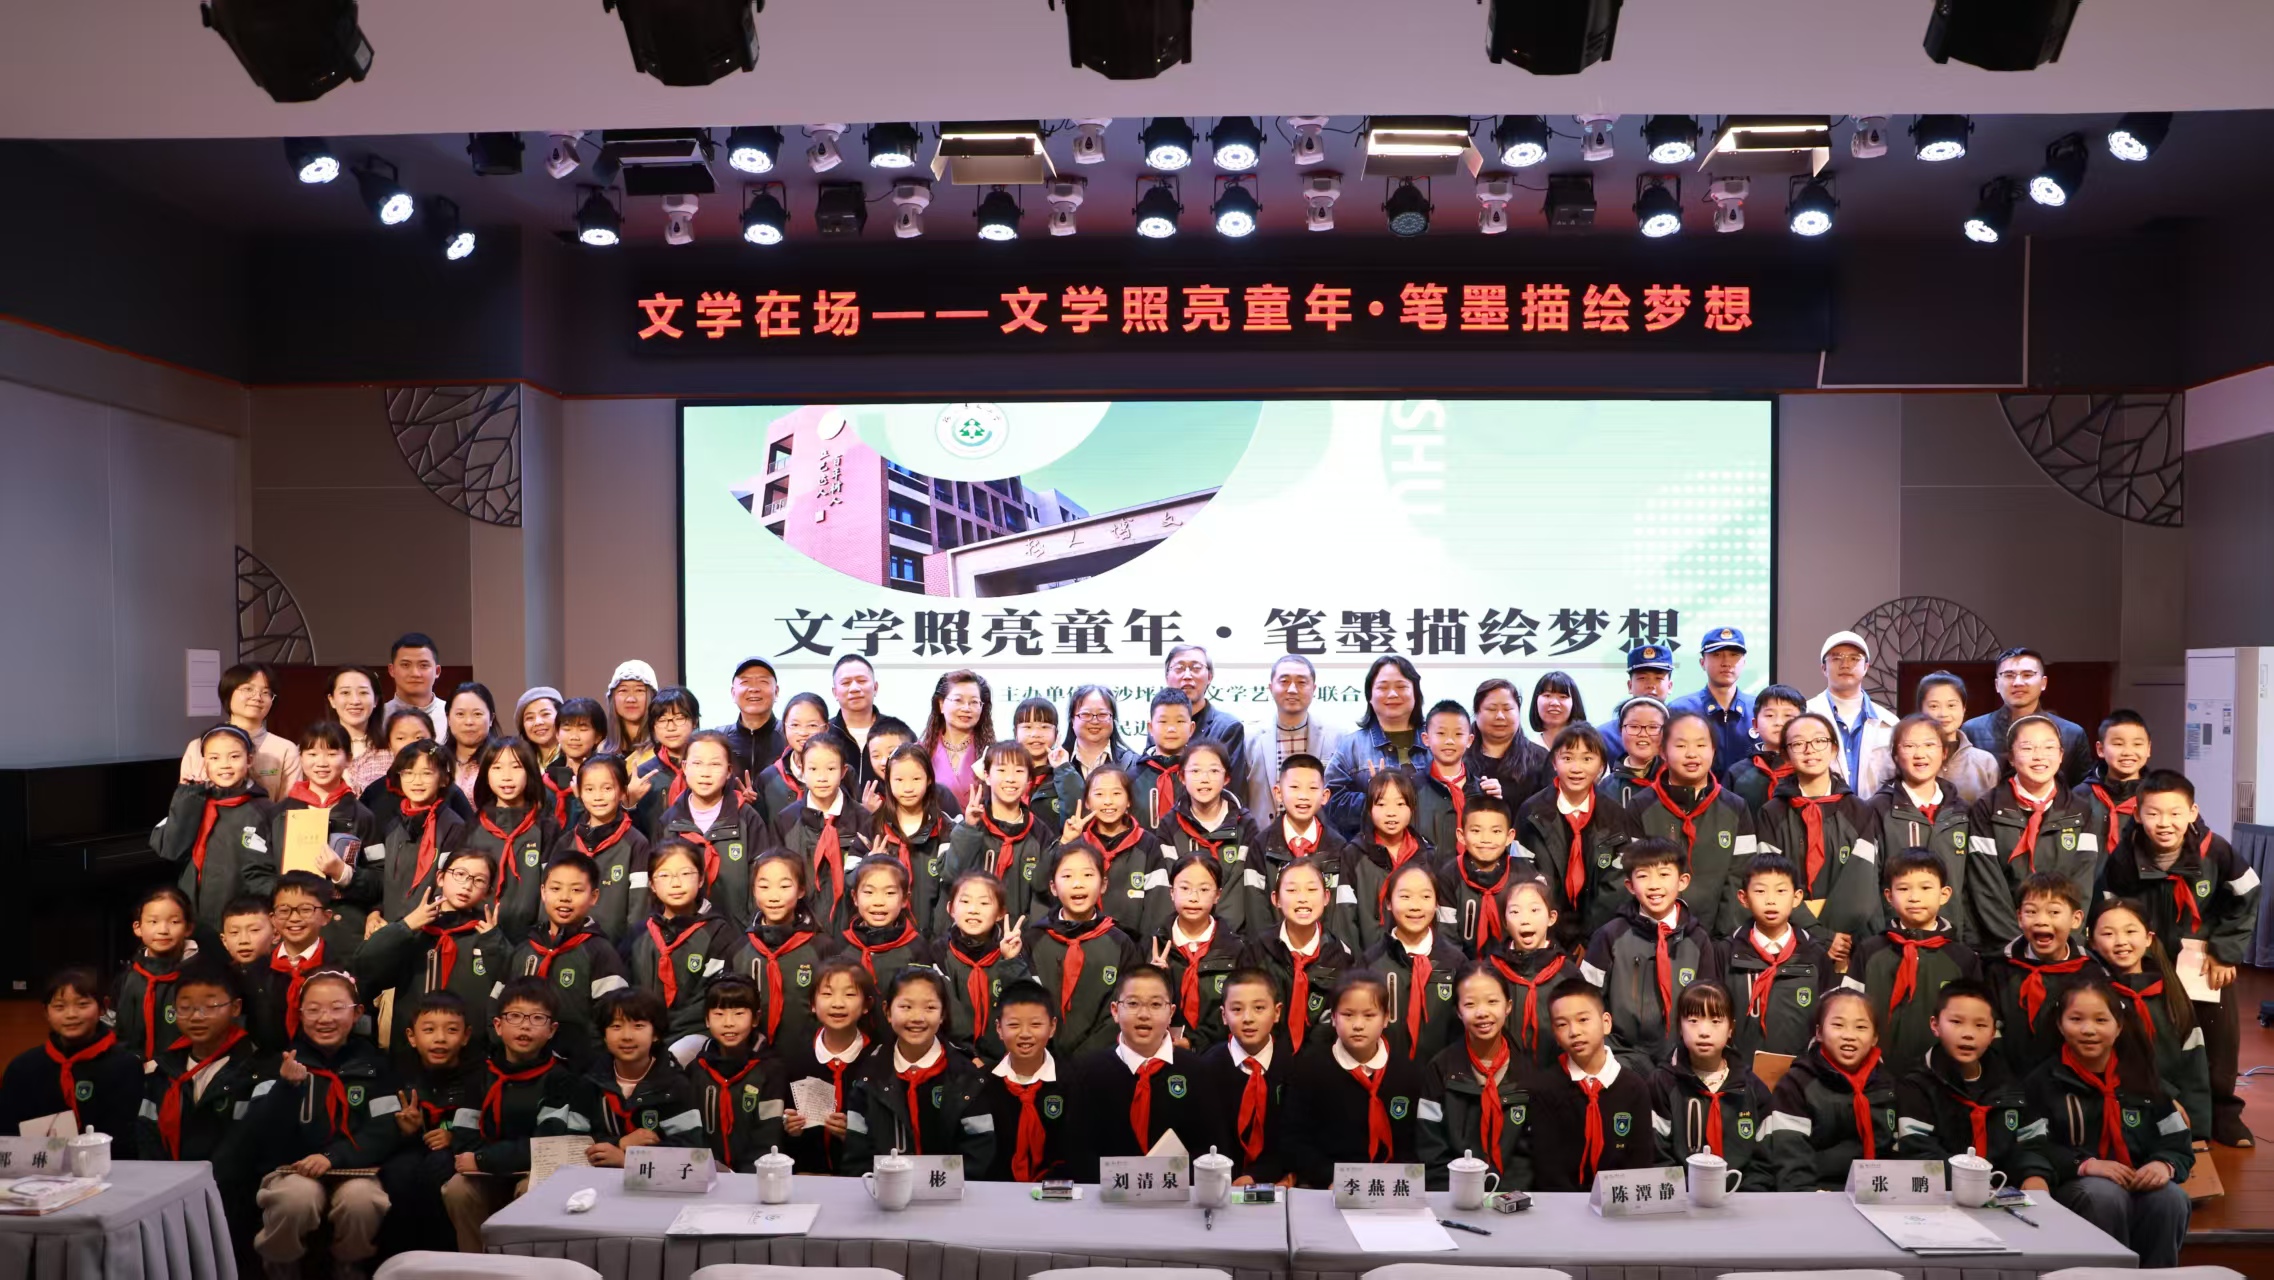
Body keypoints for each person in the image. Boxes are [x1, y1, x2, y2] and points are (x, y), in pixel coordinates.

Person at [2100, 768, 2259, 1147]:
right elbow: (2110, 907)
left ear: (2192, 812)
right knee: (2156, 1035)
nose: (2164, 823)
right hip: (2148, 957)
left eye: (2175, 813)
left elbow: (2246, 896)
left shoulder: (2216, 851)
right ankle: (2164, 1108)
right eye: (2153, 813)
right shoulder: (2123, 858)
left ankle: (2223, 1113)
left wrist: (2225, 951)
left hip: (2203, 958)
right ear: (2137, 814)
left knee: (2217, 1037)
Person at [2025, 980, 2194, 1268]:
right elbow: (2033, 1146)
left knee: (2170, 1198)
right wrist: (2084, 1164)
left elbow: (2176, 1139)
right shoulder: (2043, 1083)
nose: (2088, 1029)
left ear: (2118, 1027)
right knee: (2104, 1195)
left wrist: (2163, 1164)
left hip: (2136, 1179)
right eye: (2076, 1019)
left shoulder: (2144, 1079)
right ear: (2060, 1025)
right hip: (2076, 1184)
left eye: (2101, 1020)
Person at [250, 969, 399, 1280]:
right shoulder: (280, 1063)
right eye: (314, 1010)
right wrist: (285, 1088)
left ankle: (348, 1267)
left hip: (354, 1167)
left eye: (337, 1008)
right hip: (293, 1168)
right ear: (300, 1014)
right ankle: (280, 1267)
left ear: (357, 1013)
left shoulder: (376, 1065)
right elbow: (259, 1131)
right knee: (295, 1200)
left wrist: (333, 1157)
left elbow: (384, 1130)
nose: (325, 1019)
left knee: (362, 1201)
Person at [440, 976, 587, 1253]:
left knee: (531, 1189)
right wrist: (481, 1161)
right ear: (498, 1025)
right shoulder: (479, 1075)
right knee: (458, 1188)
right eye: (515, 1016)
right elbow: (464, 1139)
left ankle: (522, 1265)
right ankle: (475, 1262)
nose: (525, 1026)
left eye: (537, 1018)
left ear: (552, 1030)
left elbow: (545, 1146)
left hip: (532, 1171)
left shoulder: (561, 1079)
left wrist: (484, 1159)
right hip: (486, 1173)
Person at [138, 962, 269, 1247]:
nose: (197, 1017)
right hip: (164, 1199)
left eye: (210, 1006)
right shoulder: (161, 1069)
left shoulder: (257, 1070)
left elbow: (246, 1144)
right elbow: (146, 1133)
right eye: (185, 1007)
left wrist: (198, 1185)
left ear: (235, 1008)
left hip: (233, 1202)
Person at [1063, 965, 1221, 1180]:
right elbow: (1078, 1152)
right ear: (1115, 1011)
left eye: (1155, 1004)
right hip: (1109, 1195)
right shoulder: (1088, 1072)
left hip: (1178, 1192)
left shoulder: (1197, 1071)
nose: (1144, 1014)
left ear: (1171, 1013)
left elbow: (1211, 1148)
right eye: (1133, 1004)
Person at [1893, 979, 2049, 1188]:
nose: (1968, 1034)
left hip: (2002, 1192)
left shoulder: (2011, 1081)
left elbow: (2031, 1146)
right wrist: (1974, 1185)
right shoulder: (1917, 1085)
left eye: (1980, 1025)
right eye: (1956, 1022)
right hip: (1944, 1192)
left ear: (1993, 1032)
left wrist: (2034, 1176)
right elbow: (1919, 1152)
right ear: (1935, 1025)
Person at [1965, 716, 2102, 951]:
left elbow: (2082, 883)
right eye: (2027, 748)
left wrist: (2061, 940)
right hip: (2003, 947)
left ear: (2061, 755)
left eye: (2048, 747)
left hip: (2061, 947)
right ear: (2011, 757)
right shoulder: (1987, 808)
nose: (2039, 756)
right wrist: (2018, 946)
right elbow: (1986, 885)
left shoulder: (2080, 811)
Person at [1517, 979, 1664, 1191]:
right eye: (1562, 1024)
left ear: (1606, 1023)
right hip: (1561, 1202)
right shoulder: (1544, 1088)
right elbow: (1548, 1167)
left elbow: (1640, 1162)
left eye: (1583, 1019)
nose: (1574, 1031)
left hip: (1619, 1200)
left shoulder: (1634, 1087)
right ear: (1555, 1035)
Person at [1280, 971, 1424, 1186]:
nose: (1358, 1025)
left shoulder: (1407, 1072)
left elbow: (1415, 1141)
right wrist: (1330, 1178)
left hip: (1391, 1186)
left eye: (1369, 1015)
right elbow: (1293, 1139)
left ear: (1386, 1018)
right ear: (1333, 1017)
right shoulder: (1309, 1069)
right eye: (1348, 1015)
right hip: (1328, 1184)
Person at [843, 967, 993, 1171]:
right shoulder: (869, 1074)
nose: (917, 1017)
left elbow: (979, 1153)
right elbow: (857, 1154)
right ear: (887, 1011)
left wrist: (940, 1182)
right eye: (906, 1007)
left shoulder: (967, 1075)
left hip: (949, 1188)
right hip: (885, 1187)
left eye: (930, 1007)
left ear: (943, 1014)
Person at [1585, 837, 1719, 1064]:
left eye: (1664, 874)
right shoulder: (1609, 936)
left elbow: (1708, 1007)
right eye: (1643, 876)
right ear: (1630, 885)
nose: (1654, 885)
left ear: (1683, 881)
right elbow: (1585, 1000)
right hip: (1620, 1058)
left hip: (1682, 1059)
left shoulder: (1698, 940)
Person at [1753, 712, 1878, 954]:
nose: (1810, 749)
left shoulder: (1858, 811)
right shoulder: (1772, 813)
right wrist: (1819, 936)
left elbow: (1862, 882)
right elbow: (1772, 881)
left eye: (1819, 741)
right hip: (1791, 938)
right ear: (1786, 754)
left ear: (1833, 749)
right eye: (1798, 743)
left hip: (1849, 941)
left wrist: (1835, 939)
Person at [2091, 899, 2213, 1146]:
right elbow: (2111, 1059)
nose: (2121, 941)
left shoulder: (2171, 992)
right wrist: (2162, 1095)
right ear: (2092, 942)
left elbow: (2193, 1061)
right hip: (2118, 1111)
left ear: (2148, 938)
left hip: (2173, 1112)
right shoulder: (2092, 996)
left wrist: (2197, 1129)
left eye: (2130, 931)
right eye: (2108, 934)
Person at [1848, 848, 1981, 1071]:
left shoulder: (1963, 959)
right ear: (1889, 896)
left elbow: (1976, 1022)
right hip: (1875, 1071)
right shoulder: (1869, 951)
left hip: (1943, 1074)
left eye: (1926, 888)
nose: (1914, 897)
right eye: (1903, 888)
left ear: (1944, 894)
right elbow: (1849, 1010)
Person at [356, 854, 509, 1048]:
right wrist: (406, 926)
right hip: (411, 1049)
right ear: (440, 878)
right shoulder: (414, 929)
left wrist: (493, 941)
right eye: (460, 874)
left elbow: (510, 983)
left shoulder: (488, 935)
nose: (467, 885)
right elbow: (364, 966)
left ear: (488, 892)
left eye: (479, 880)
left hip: (470, 1049)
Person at [1516, 724, 1642, 945]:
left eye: (1587, 759)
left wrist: (1590, 938)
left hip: (1600, 933)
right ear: (1554, 762)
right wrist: (1549, 931)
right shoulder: (1531, 812)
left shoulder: (1615, 815)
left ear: (1601, 765)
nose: (1576, 768)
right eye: (1567, 758)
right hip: (1543, 932)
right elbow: (1522, 874)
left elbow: (1617, 884)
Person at [1633, 710, 1756, 936]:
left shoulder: (1736, 807)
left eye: (1701, 745)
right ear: (1662, 752)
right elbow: (1631, 876)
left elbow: (1741, 877)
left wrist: (1723, 940)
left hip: (1719, 939)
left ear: (1713, 750)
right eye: (1681, 746)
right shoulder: (1640, 806)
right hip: (1652, 935)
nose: (1692, 754)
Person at [1648, 981, 1776, 1194]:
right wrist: (1686, 1195)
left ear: (1730, 1028)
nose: (1704, 1032)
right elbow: (1657, 1158)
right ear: (1680, 1026)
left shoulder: (1753, 1089)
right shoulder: (1662, 1084)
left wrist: (1745, 1198)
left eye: (1716, 1021)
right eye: (1693, 1021)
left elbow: (1764, 1163)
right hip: (1682, 1200)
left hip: (1742, 1200)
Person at [1763, 989, 1896, 1190]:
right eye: (1838, 1025)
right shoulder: (1796, 1084)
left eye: (1861, 1027)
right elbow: (1791, 1164)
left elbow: (1895, 1156)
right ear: (1819, 1033)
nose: (1849, 1036)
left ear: (1875, 1037)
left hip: (1875, 1193)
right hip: (1815, 1194)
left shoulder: (1885, 1085)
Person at [507, 853, 629, 1072]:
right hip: (520, 1066)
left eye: (576, 890)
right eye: (555, 888)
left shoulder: (600, 952)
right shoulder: (524, 949)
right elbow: (498, 1005)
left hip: (581, 1067)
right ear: (543, 892)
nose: (565, 898)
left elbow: (613, 1017)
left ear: (594, 896)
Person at [154, 724, 277, 938]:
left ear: (249, 760)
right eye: (214, 758)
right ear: (204, 762)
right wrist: (188, 796)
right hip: (192, 913)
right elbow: (170, 850)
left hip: (240, 921)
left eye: (234, 757)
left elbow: (264, 873)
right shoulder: (193, 800)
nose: (225, 765)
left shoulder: (263, 810)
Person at [381, 992, 480, 1256]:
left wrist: (453, 1137)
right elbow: (380, 1129)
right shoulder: (398, 1072)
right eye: (429, 1030)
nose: (440, 1038)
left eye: (451, 1030)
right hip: (411, 1150)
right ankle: (401, 1257)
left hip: (456, 1154)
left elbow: (485, 1126)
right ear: (411, 1036)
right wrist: (406, 1130)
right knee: (398, 1171)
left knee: (440, 1166)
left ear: (466, 1036)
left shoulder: (478, 1076)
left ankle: (440, 1256)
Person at [1862, 714, 1975, 944]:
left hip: (1951, 940)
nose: (1920, 754)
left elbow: (1970, 886)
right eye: (1909, 746)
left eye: (1929, 745)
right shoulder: (1877, 809)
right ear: (1895, 754)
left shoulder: (1962, 811)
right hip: (1894, 939)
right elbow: (1868, 885)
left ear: (1944, 752)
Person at [1716, 853, 1832, 1070]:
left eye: (1781, 891)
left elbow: (1827, 1022)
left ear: (1797, 897)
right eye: (1760, 891)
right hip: (1737, 1072)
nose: (1771, 900)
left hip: (1801, 1075)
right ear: (1743, 898)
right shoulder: (1726, 952)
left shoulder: (1815, 955)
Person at [622, 840, 736, 1058]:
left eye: (685, 874)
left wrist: (664, 1030)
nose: (676, 883)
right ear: (652, 884)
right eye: (664, 875)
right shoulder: (639, 934)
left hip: (694, 1033)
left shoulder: (718, 933)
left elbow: (711, 997)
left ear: (701, 879)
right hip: (642, 1031)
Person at [1023, 845, 1138, 1059]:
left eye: (1088, 875)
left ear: (1103, 884)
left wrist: (1087, 1057)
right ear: (1053, 887)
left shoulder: (1121, 943)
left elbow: (1123, 1008)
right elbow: (1027, 1004)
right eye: (1067, 876)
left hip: (1101, 1059)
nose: (1078, 884)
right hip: (1041, 1058)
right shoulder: (1033, 940)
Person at [1984, 871, 2104, 1074]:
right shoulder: (1998, 969)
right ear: (2019, 918)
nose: (2041, 920)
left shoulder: (2091, 972)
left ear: (2076, 919)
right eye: (2031, 912)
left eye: (2054, 912)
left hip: (2072, 1079)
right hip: (2008, 1079)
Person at [0, 966, 139, 1141]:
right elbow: (8, 1136)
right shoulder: (22, 1069)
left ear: (103, 1007)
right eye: (59, 1007)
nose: (71, 1014)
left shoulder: (126, 1066)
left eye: (82, 1004)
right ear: (46, 1012)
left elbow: (128, 1137)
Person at [267, 721, 381, 929]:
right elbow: (256, 872)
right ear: (300, 757)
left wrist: (343, 874)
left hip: (342, 923)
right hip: (286, 920)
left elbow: (379, 878)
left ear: (348, 759)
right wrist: (286, 895)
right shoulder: (277, 814)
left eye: (331, 754)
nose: (321, 762)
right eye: (312, 754)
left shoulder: (364, 817)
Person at [654, 729, 768, 931]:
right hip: (683, 935)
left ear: (729, 770)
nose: (705, 773)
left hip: (739, 935)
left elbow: (762, 882)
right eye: (697, 763)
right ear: (684, 767)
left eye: (715, 764)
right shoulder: (668, 822)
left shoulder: (748, 820)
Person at [728, 851, 840, 1056]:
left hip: (810, 1059)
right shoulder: (739, 950)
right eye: (764, 887)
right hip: (751, 1062)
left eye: (785, 886)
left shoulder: (821, 947)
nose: (774, 896)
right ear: (753, 891)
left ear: (801, 890)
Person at [1236, 857, 1353, 1053]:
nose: (1302, 898)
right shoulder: (1256, 952)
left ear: (1326, 897)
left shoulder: (1340, 956)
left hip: (1322, 1058)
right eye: (1292, 890)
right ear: (1276, 899)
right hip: (1264, 1055)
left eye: (1311, 889)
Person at [1416, 961, 1518, 1186]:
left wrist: (1506, 1198)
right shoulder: (1440, 1069)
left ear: (1508, 1006)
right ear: (1458, 1012)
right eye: (1470, 1004)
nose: (1482, 1013)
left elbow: (1530, 1154)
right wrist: (1460, 1193)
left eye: (1492, 1002)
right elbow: (1430, 1146)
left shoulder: (1526, 1070)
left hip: (1513, 1198)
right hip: (1453, 1193)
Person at [580, 988, 705, 1168]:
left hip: (658, 1183)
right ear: (604, 1035)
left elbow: (692, 1150)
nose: (627, 1036)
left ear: (656, 1034)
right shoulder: (589, 1083)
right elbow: (574, 1142)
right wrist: (620, 1143)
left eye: (638, 1026)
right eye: (616, 1026)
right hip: (597, 1180)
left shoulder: (674, 1085)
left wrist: (629, 1160)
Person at [777, 959, 876, 1174]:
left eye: (849, 994)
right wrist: (790, 1128)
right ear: (813, 1004)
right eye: (827, 994)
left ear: (866, 1005)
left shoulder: (878, 1060)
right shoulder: (795, 1057)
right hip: (808, 1175)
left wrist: (856, 1135)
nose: (837, 1003)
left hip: (862, 1178)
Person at [1194, 967, 1289, 1186]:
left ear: (1277, 1012)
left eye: (1259, 1008)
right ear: (1223, 1015)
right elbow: (1203, 1137)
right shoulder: (1206, 1069)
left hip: (1277, 1180)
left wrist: (1262, 1175)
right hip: (1219, 1182)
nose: (1248, 1018)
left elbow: (1295, 1137)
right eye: (1237, 1009)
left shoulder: (1294, 1067)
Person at [1365, 862, 1465, 1065]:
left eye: (1426, 897)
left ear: (1437, 903)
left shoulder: (1456, 962)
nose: (1415, 906)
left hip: (1444, 1074)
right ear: (1388, 902)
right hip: (1384, 1072)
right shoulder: (1371, 962)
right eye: (1405, 896)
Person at [774, 730, 873, 931]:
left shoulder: (864, 819)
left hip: (853, 928)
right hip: (800, 928)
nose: (822, 777)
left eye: (830, 768)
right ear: (802, 770)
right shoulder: (786, 820)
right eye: (813, 769)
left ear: (843, 771)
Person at [1239, 753, 1345, 937]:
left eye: (1312, 788)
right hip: (1273, 948)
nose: (1303, 796)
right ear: (1278, 793)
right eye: (1295, 787)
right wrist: (1270, 948)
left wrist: (1326, 947)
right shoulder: (1261, 845)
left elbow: (1341, 911)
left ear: (1325, 796)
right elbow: (1256, 909)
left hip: (1325, 949)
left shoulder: (1338, 847)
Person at [948, 743, 1054, 926]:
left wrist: (1030, 933)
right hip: (972, 932)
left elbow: (1044, 893)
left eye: (1019, 771)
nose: (1010, 779)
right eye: (1002, 770)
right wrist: (969, 828)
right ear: (987, 776)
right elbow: (952, 874)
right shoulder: (971, 826)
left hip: (1022, 934)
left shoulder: (1040, 832)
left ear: (1029, 780)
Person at [460, 736, 551, 944]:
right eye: (497, 768)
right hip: (477, 936)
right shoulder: (472, 827)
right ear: (486, 775)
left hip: (532, 941)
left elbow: (552, 888)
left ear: (530, 772)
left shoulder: (546, 828)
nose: (507, 777)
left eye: (516, 767)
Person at [977, 978, 1069, 1182]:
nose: (1025, 1034)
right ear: (999, 1029)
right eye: (1014, 1025)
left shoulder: (1074, 1083)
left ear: (1052, 1027)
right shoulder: (981, 1085)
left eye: (1036, 1024)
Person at [548, 754, 650, 939]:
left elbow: (639, 910)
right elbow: (549, 901)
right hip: (568, 947)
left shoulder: (636, 843)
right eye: (589, 789)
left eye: (607, 788)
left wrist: (630, 949)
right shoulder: (566, 842)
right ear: (579, 792)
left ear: (622, 791)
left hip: (617, 948)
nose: (598, 797)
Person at [1963, 647, 2093, 790]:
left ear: (2043, 683)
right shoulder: (1972, 730)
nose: (2018, 682)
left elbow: (2081, 791)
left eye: (2027, 675)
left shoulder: (2072, 733)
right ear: (1996, 684)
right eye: (2009, 675)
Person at [1325, 656, 1428, 837]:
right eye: (1383, 687)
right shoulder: (1351, 746)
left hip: (1431, 850)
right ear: (1370, 696)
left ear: (1415, 693)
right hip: (1368, 850)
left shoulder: (1436, 741)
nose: (1392, 694)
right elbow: (1330, 803)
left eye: (1401, 687)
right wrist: (1375, 799)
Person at [1064, 766, 1170, 941]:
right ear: (1087, 802)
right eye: (1099, 794)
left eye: (1116, 793)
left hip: (1135, 946)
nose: (1108, 801)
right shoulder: (1077, 845)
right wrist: (1064, 843)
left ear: (1129, 800)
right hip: (1084, 943)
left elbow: (1158, 906)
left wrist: (1147, 950)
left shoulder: (1148, 844)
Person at [692, 976, 786, 1172]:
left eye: (739, 1014)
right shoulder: (696, 1069)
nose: (729, 1023)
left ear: (756, 1018)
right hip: (706, 1174)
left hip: (755, 1175)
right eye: (719, 1014)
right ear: (707, 1019)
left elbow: (769, 1134)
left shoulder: (770, 1070)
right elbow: (693, 1133)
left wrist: (743, 1177)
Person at [1862, 672, 1999, 804]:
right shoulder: (1897, 756)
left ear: (1963, 708)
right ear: (1921, 710)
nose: (1943, 713)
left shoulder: (1984, 762)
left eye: (1951, 705)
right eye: (1934, 706)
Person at [260, 873, 360, 1053]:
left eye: (305, 909)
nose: (294, 918)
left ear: (326, 917)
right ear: (273, 918)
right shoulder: (257, 968)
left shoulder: (342, 967)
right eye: (284, 910)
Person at [1156, 742, 1251, 928]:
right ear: (1182, 777)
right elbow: (1170, 886)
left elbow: (1240, 887)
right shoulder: (1169, 826)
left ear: (1226, 778)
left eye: (1214, 771)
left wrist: (1221, 934)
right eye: (1195, 771)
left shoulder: (1245, 825)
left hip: (1233, 934)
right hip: (1183, 930)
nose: (1204, 779)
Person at [938, 873, 1031, 1063]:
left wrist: (1012, 961)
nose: (973, 910)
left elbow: (1028, 1005)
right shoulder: (938, 953)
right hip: (955, 1059)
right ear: (950, 909)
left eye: (984, 903)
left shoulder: (1013, 950)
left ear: (1000, 913)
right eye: (965, 901)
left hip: (1008, 1060)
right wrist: (969, 1056)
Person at [1481, 874, 1570, 1070]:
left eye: (1534, 910)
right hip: (1503, 1071)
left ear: (1551, 918)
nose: (1525, 920)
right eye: (1515, 912)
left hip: (1557, 1071)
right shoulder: (1490, 971)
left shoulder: (1567, 972)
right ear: (1505, 922)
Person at [868, 739, 958, 932]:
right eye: (899, 780)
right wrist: (868, 866)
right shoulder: (873, 825)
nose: (908, 788)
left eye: (916, 779)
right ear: (888, 781)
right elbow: (851, 882)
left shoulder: (945, 828)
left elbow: (952, 882)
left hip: (933, 935)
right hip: (882, 935)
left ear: (929, 779)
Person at [1153, 855, 1240, 1052]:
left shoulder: (1236, 950)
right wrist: (1153, 979)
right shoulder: (1153, 946)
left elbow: (1238, 1011)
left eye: (1204, 889)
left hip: (1219, 1053)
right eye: (1185, 888)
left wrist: (1194, 1042)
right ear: (1171, 892)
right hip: (1160, 1050)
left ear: (1218, 895)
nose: (1193, 897)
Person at [372, 740, 466, 923]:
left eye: (427, 773)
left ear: (444, 779)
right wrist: (375, 911)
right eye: (408, 773)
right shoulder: (393, 824)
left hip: (431, 927)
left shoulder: (454, 827)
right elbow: (381, 878)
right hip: (392, 927)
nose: (417, 781)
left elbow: (449, 888)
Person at [176, 662, 300, 800]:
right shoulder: (199, 746)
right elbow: (185, 800)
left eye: (266, 692)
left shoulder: (285, 749)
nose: (257, 697)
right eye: (248, 689)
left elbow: (291, 807)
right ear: (228, 693)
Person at [1245, 654, 1349, 816]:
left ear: (1314, 689)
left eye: (1301, 682)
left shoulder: (1338, 738)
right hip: (1262, 832)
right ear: (1271, 687)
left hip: (1320, 832)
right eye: (1284, 681)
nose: (1292, 689)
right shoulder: (1248, 738)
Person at [1341, 770, 1430, 953]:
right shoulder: (1354, 854)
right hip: (1368, 959)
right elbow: (1345, 917)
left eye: (1400, 804)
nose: (1391, 813)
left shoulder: (1426, 855)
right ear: (1369, 809)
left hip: (1418, 957)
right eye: (1381, 804)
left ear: (1412, 808)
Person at [1806, 631, 1896, 790]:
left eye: (1854, 658)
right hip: (1819, 805)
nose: (1845, 665)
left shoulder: (1890, 723)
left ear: (1866, 667)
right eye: (1836, 658)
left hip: (1874, 805)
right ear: (1824, 668)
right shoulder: (1805, 715)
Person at [116, 886, 196, 1060]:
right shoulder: (131, 976)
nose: (163, 930)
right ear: (138, 927)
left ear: (188, 928)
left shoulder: (199, 975)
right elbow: (121, 1031)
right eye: (153, 922)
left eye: (174, 922)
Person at [1668, 627, 1757, 784]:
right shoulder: (1680, 709)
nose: (1726, 663)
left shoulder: (1759, 710)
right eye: (1716, 655)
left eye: (1734, 655)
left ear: (1744, 662)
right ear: (1702, 663)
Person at [1437, 795, 1521, 956]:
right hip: (1462, 964)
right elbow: (1447, 939)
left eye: (1496, 831)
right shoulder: (1449, 876)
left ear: (1509, 836)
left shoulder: (1523, 874)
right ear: (1461, 835)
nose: (1486, 839)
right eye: (1476, 831)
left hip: (1514, 964)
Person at [838, 858, 938, 993]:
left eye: (890, 893)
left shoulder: (916, 948)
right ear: (855, 897)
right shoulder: (842, 944)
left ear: (904, 899)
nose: (879, 902)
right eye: (869, 892)